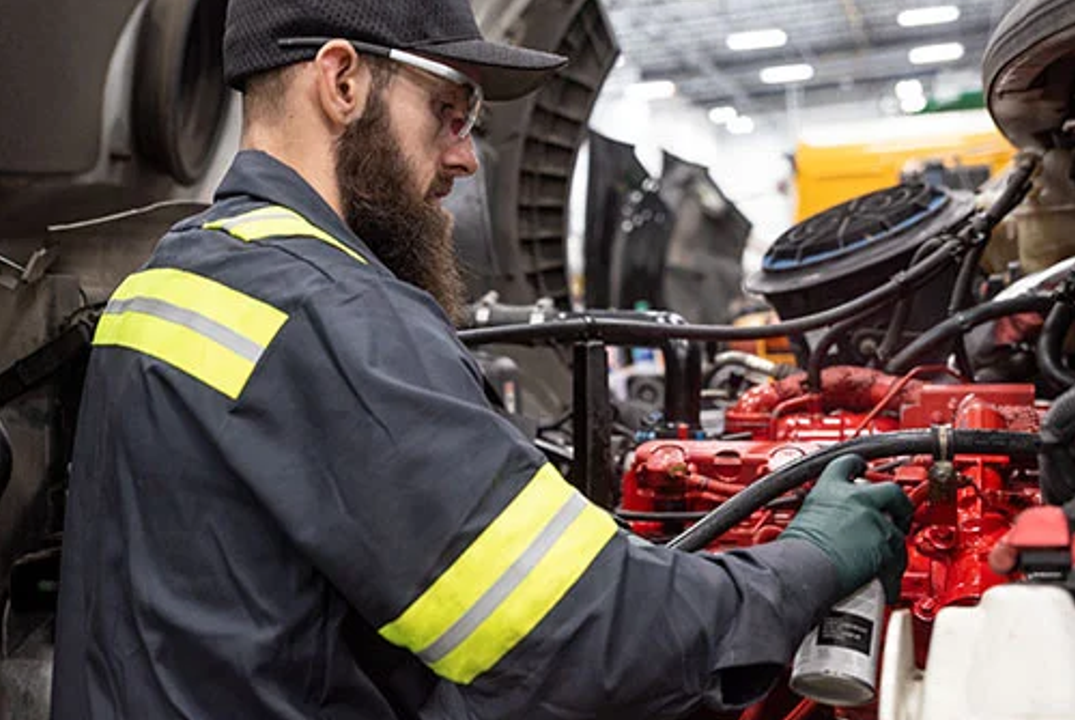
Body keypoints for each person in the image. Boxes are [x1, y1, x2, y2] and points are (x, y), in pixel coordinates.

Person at [49, 0, 913, 718]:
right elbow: (584, 635)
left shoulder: (170, 275)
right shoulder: (335, 314)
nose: (464, 155)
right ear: (342, 81)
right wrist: (806, 560)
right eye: (448, 112)